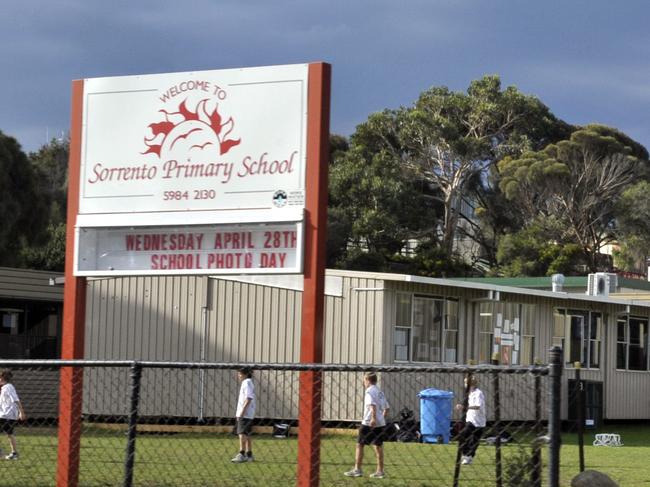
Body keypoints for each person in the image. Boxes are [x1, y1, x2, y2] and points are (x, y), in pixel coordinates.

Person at [344, 372, 390, 479]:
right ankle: (380, 471)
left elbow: (372, 406)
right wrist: (380, 418)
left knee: (360, 444)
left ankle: (357, 469)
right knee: (378, 446)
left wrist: (373, 418)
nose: (363, 382)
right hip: (380, 423)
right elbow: (387, 408)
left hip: (368, 422)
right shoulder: (379, 391)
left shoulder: (369, 391)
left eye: (364, 380)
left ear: (368, 380)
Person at [455, 375, 486, 465]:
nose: (464, 385)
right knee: (464, 435)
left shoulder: (478, 393)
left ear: (471, 384)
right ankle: (465, 455)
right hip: (470, 419)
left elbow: (478, 406)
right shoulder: (470, 393)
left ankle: (469, 457)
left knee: (474, 441)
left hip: (479, 421)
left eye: (466, 383)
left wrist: (464, 407)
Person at [231, 367, 256, 463]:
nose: (238, 375)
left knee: (241, 433)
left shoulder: (246, 383)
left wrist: (241, 412)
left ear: (245, 374)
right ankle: (249, 455)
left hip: (245, 413)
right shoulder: (249, 382)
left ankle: (241, 454)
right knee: (247, 434)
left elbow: (248, 398)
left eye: (240, 374)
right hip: (249, 413)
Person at [0, 369, 26, 460]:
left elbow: (16, 400)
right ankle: (14, 453)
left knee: (10, 434)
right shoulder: (5, 387)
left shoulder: (8, 387)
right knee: (10, 434)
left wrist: (21, 412)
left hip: (6, 415)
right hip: (7, 415)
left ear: (2, 378)